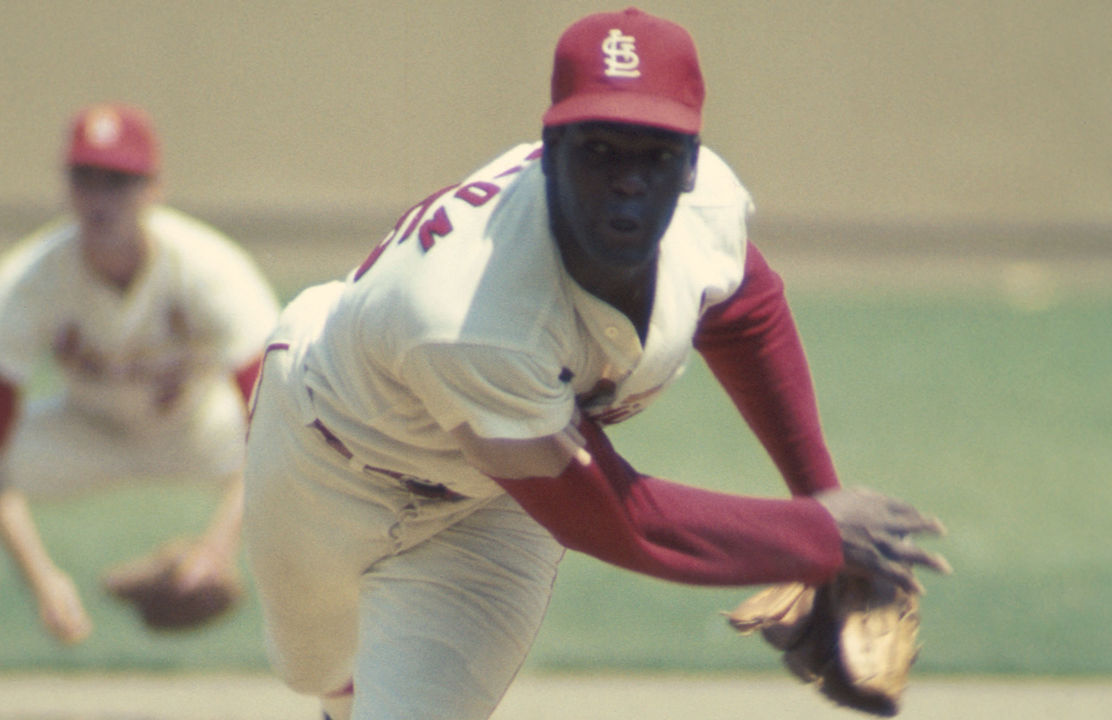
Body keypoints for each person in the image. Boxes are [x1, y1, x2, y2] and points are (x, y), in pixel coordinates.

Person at [242, 8, 951, 720]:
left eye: (655, 152)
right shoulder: (472, 313)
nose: (628, 180)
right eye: (600, 149)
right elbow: (616, 521)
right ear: (550, 149)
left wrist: (820, 508)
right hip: (324, 466)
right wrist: (818, 539)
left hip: (498, 504)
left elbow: (744, 312)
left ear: (692, 162)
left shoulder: (706, 208)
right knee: (319, 675)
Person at [0, 103, 282, 719]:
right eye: (86, 178)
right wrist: (43, 579)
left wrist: (216, 548)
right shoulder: (31, 278)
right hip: (88, 430)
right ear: (66, 186)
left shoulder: (210, 269)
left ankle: (343, 678)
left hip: (200, 430)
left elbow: (273, 424)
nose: (100, 198)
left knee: (320, 460)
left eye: (119, 180)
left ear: (154, 189)